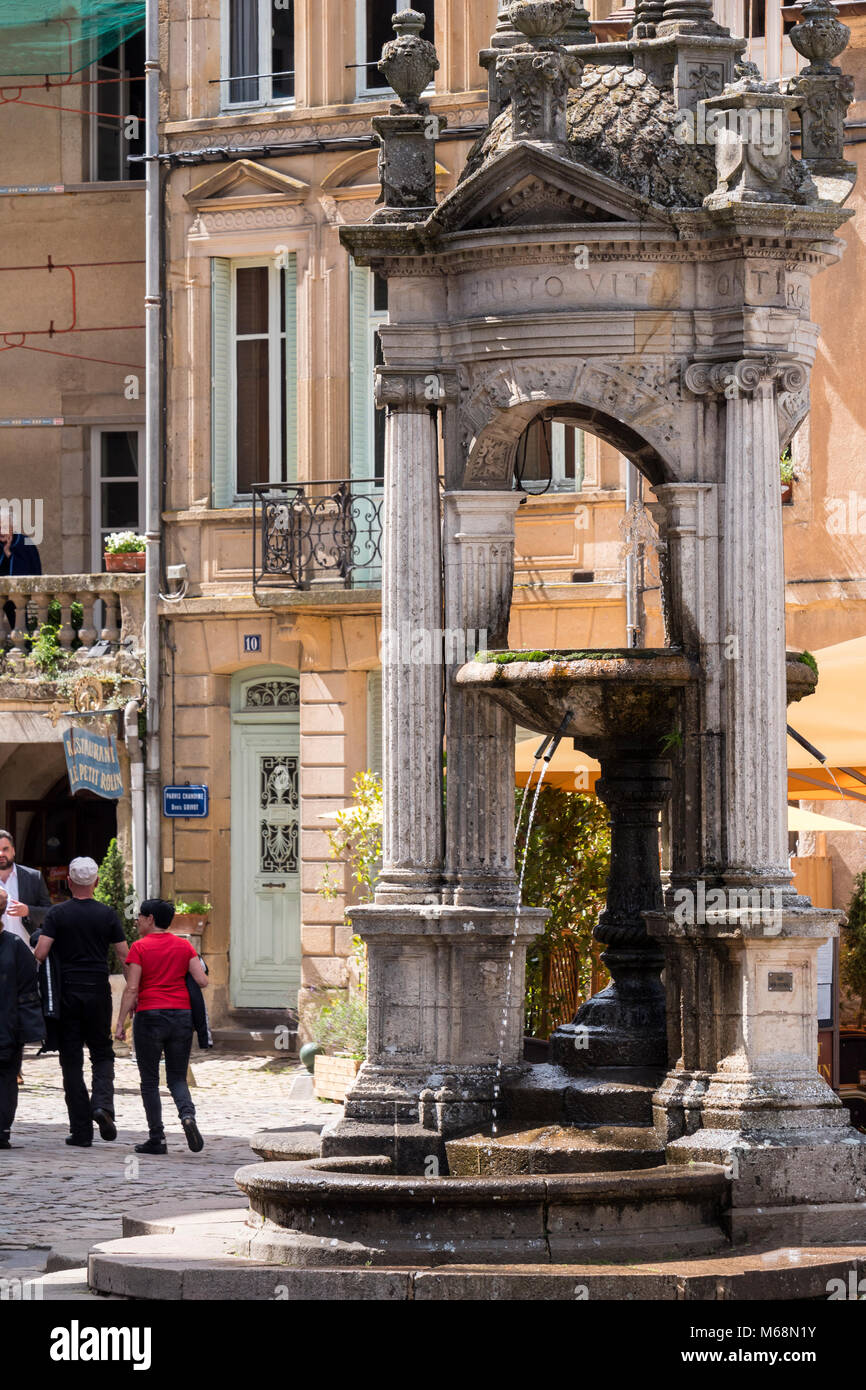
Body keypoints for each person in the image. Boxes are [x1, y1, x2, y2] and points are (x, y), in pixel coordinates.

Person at [34, 857, 128, 1147]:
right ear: (97, 882)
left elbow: (41, 953)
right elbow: (125, 955)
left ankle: (81, 1130)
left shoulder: (57, 913)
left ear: (69, 882)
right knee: (102, 1053)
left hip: (67, 993)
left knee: (71, 1060)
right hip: (98, 991)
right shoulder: (108, 915)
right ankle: (102, 1105)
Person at [115, 899, 208, 1155]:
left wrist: (121, 1022)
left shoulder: (139, 948)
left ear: (151, 919)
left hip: (150, 1016)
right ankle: (187, 1116)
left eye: (140, 917)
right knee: (177, 1077)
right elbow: (202, 981)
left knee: (149, 1081)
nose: (137, 921)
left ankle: (157, 1138)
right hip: (181, 1017)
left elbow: (132, 988)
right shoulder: (184, 945)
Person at [0, 886, 45, 1147]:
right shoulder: (16, 947)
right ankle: (2, 1129)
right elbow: (29, 987)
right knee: (6, 1079)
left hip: (8, 1024)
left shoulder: (15, 947)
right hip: (8, 1026)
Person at [0, 828, 52, 948]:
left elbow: (49, 913)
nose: (1, 854)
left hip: (26, 950)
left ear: (13, 851)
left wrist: (28, 911)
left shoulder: (33, 877)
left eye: (5, 849)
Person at [0, 511, 41, 632]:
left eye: (5, 527)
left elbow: (33, 568)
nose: (1, 530)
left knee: (20, 628)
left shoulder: (25, 541)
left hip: (17, 596)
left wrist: (9, 553)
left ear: (13, 527)